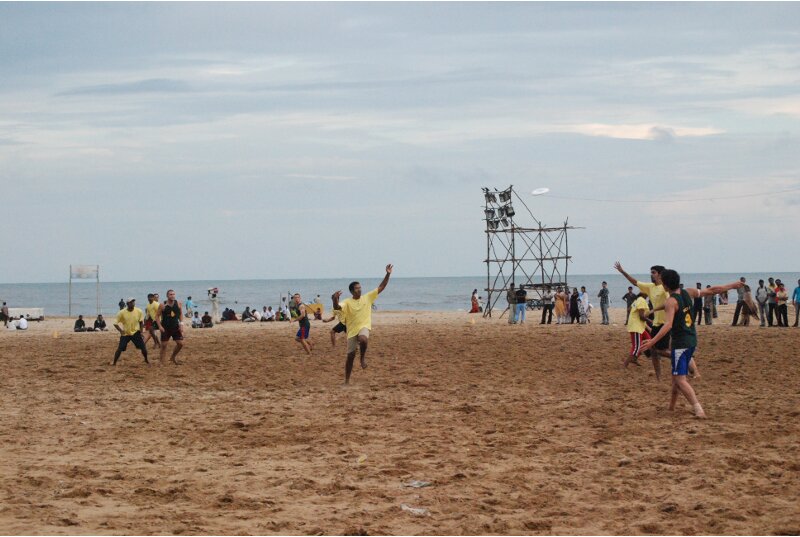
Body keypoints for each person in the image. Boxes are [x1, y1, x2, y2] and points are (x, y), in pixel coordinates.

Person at [640, 270, 743, 418]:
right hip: (692, 340)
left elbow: (668, 324)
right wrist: (732, 285)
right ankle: (671, 407)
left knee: (680, 380)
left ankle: (698, 409)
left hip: (680, 343)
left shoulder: (671, 302)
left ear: (665, 285)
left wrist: (652, 341)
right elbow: (712, 290)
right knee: (675, 376)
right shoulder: (688, 292)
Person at [333, 264, 393, 385]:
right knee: (350, 357)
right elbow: (337, 307)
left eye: (360, 287)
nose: (359, 289)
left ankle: (362, 358)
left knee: (363, 339)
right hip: (351, 331)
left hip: (363, 327)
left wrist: (388, 273)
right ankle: (347, 380)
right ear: (351, 291)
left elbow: (381, 286)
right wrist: (334, 299)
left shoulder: (367, 298)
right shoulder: (347, 302)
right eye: (356, 288)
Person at [614, 262, 671, 380]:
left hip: (665, 323)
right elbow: (634, 282)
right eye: (651, 272)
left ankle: (682, 360)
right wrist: (622, 271)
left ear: (660, 275)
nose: (651, 275)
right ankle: (658, 376)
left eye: (653, 272)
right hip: (651, 324)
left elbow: (671, 302)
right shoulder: (649, 289)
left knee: (659, 349)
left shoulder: (665, 289)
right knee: (653, 350)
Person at [112, 298, 149, 366]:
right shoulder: (122, 312)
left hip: (136, 333)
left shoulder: (139, 311)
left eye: (133, 302)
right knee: (120, 348)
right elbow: (115, 323)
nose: (133, 303)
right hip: (126, 333)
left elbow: (141, 322)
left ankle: (146, 360)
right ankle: (114, 362)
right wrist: (121, 331)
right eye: (131, 302)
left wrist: (141, 332)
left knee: (143, 348)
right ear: (127, 304)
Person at [623, 292, 652, 369]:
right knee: (636, 346)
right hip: (636, 328)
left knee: (649, 340)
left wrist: (648, 327)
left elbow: (629, 309)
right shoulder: (641, 300)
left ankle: (635, 358)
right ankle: (626, 363)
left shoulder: (637, 300)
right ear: (644, 294)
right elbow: (641, 317)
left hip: (639, 327)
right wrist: (651, 321)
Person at [157, 289, 184, 365]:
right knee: (164, 345)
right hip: (165, 327)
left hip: (175, 327)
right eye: (170, 294)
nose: (172, 296)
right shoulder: (163, 305)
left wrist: (181, 324)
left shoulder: (178, 303)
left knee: (180, 344)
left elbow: (181, 314)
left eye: (173, 294)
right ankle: (161, 362)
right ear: (167, 296)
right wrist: (160, 326)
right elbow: (156, 316)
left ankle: (173, 357)